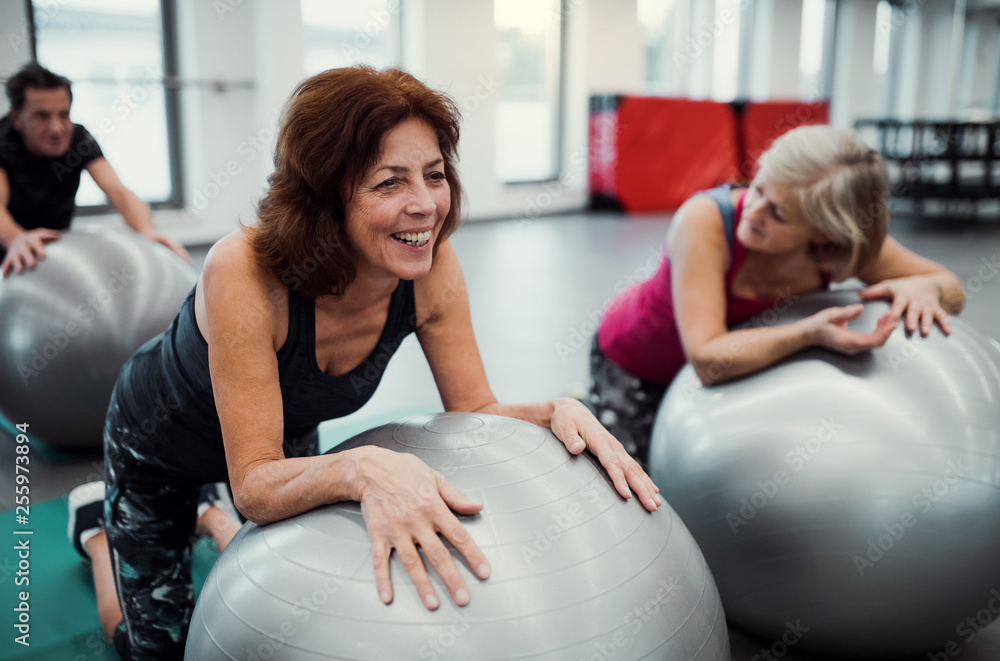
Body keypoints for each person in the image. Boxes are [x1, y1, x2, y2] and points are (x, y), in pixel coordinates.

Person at [66, 66, 660, 660]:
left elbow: (478, 411)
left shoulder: (433, 269)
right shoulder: (244, 272)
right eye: (389, 183)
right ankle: (99, 533)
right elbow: (253, 484)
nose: (425, 205)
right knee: (158, 649)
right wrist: (363, 466)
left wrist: (555, 411)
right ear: (325, 196)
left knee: (286, 609)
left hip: (282, 437)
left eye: (434, 176)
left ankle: (209, 520)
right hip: (159, 446)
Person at [589, 125, 966, 468]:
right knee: (634, 481)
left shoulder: (842, 251)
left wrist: (924, 286)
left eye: (779, 214)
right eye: (758, 188)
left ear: (824, 233)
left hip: (739, 369)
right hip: (636, 361)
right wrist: (808, 333)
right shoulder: (705, 221)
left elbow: (951, 288)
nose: (753, 211)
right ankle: (586, 404)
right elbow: (708, 358)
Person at [0, 62, 190, 277]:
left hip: (52, 252)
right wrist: (15, 238)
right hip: (8, 253)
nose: (56, 128)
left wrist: (146, 230)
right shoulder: (3, 140)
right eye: (42, 116)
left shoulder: (79, 139)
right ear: (16, 118)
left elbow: (118, 191)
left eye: (64, 115)